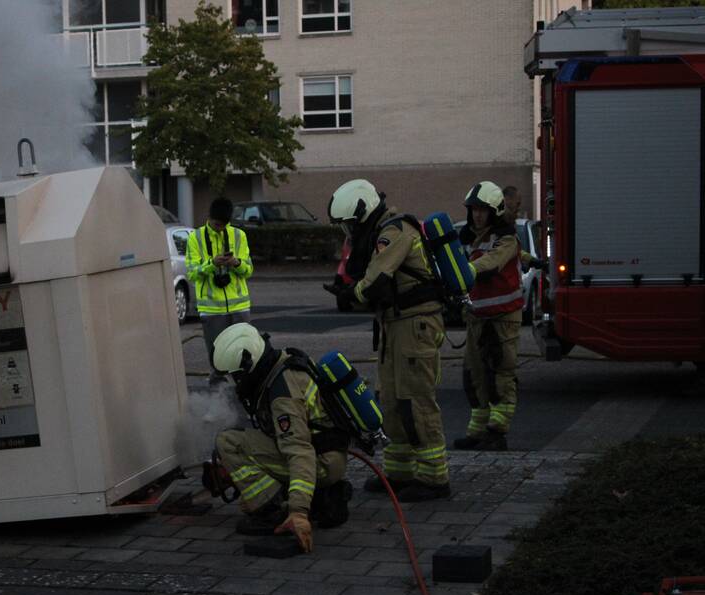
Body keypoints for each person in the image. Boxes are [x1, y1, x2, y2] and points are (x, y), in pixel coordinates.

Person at [328, 179, 450, 502]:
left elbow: (375, 279)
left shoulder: (394, 233)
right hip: (394, 324)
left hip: (415, 325)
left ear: (363, 212)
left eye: (350, 224)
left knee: (416, 399)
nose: (349, 232)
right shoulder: (381, 234)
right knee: (393, 400)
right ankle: (399, 472)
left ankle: (435, 478)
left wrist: (348, 294)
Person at [209, 322, 353, 553]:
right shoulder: (280, 364)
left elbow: (299, 451)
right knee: (247, 494)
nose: (235, 384)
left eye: (236, 377)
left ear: (249, 364)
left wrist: (298, 513)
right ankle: (322, 499)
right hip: (326, 454)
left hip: (320, 462)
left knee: (229, 443)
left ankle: (273, 511)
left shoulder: (282, 396)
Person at [454, 181, 523, 451]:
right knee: (474, 375)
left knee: (501, 373)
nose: (477, 215)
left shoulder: (505, 238)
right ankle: (478, 431)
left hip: (503, 318)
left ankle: (498, 432)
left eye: (482, 210)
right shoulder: (469, 238)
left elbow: (491, 263)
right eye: (473, 210)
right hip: (477, 317)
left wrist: (464, 270)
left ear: (493, 211)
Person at [185, 197, 253, 384]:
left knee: (244, 359)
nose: (220, 228)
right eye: (217, 224)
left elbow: (248, 270)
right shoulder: (195, 238)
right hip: (212, 310)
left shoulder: (238, 235)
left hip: (239, 308)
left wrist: (236, 263)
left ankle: (245, 400)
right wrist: (211, 264)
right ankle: (219, 405)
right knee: (218, 362)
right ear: (209, 218)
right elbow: (192, 274)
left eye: (224, 225)